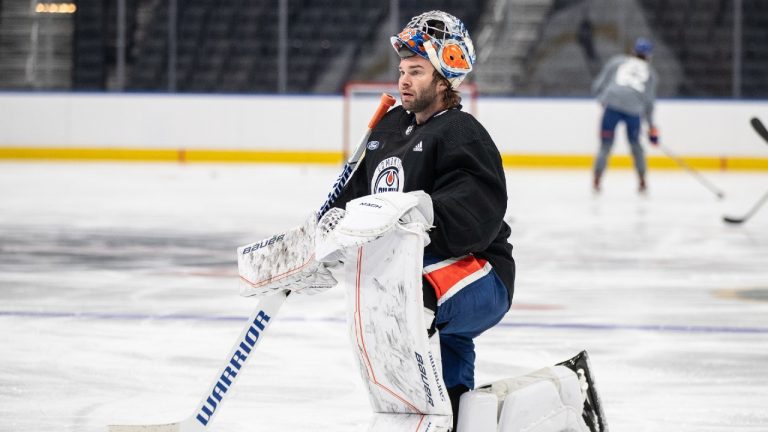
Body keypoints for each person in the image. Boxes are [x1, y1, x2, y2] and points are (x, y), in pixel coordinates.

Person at [333, 10, 515, 427]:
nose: (403, 81)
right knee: (383, 292)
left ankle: (425, 416)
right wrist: (324, 237)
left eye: (416, 71)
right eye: (402, 70)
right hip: (416, 264)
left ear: (444, 76)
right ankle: (451, 416)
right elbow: (354, 199)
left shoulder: (460, 131)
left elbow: (481, 208)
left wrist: (423, 211)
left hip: (481, 270)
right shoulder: (388, 130)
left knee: (409, 294)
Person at [591, 37, 659, 193]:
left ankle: (597, 180)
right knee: (636, 146)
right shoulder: (651, 74)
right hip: (633, 111)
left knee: (605, 145)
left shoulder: (617, 62)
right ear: (649, 55)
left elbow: (598, 84)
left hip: (612, 106)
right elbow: (649, 102)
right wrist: (651, 127)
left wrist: (602, 99)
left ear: (633, 50)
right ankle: (642, 181)